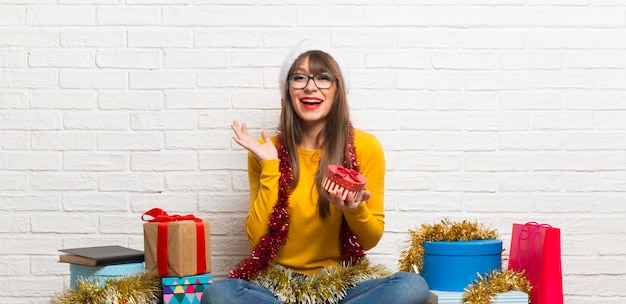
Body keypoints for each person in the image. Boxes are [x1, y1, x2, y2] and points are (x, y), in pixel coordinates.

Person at [201, 39, 429, 304]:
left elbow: (370, 240)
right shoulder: (266, 152)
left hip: (341, 287)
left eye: (323, 77)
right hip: (277, 287)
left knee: (412, 286)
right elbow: (257, 239)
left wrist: (354, 208)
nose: (310, 86)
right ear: (287, 93)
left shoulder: (366, 147)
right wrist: (270, 166)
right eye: (299, 77)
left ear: (337, 91)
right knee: (218, 294)